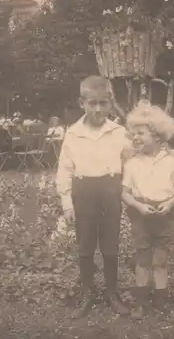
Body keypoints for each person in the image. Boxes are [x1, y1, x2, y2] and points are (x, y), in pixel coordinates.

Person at [56, 75, 131, 319]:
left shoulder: (119, 132)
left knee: (111, 246)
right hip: (83, 191)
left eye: (103, 103)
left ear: (111, 103)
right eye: (93, 103)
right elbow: (64, 170)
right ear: (82, 103)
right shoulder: (73, 134)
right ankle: (86, 293)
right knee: (85, 246)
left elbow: (131, 164)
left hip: (110, 191)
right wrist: (67, 203)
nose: (98, 109)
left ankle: (112, 293)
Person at [122, 104, 174, 319]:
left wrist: (170, 203)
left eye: (141, 133)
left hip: (165, 215)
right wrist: (139, 206)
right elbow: (124, 193)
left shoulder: (171, 162)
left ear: (158, 136)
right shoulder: (132, 164)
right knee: (142, 259)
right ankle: (140, 303)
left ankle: (161, 302)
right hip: (140, 216)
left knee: (160, 260)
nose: (135, 137)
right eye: (133, 133)